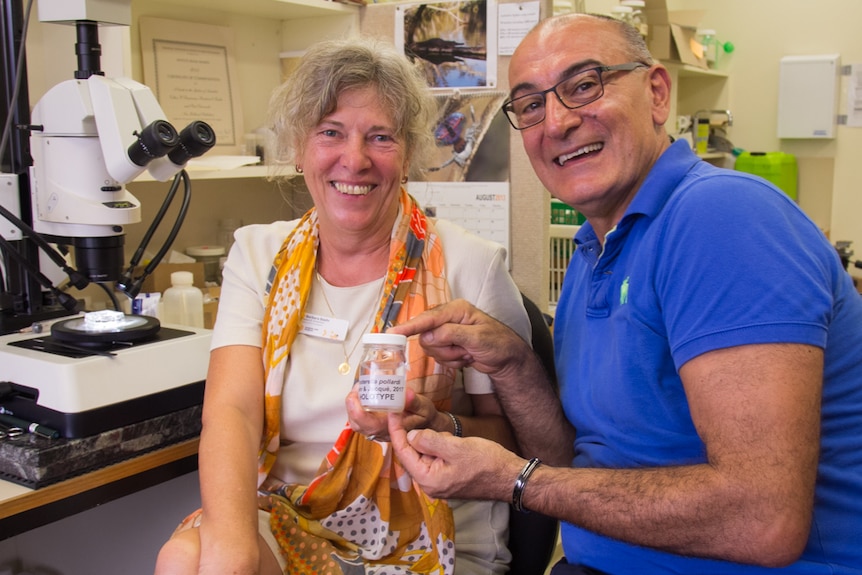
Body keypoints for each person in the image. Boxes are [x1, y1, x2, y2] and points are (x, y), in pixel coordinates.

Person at [386, 13, 862, 575]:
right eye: (531, 105)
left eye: (584, 85)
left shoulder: (720, 217)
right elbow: (583, 468)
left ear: (657, 93)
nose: (557, 121)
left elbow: (760, 520)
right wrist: (513, 364)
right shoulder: (596, 248)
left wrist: (511, 479)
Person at [154, 36, 530, 575]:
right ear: (299, 147)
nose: (353, 160)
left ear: (408, 154)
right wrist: (234, 552)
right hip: (289, 514)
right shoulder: (258, 254)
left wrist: (440, 425)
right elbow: (231, 414)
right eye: (330, 133)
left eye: (380, 137)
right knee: (188, 558)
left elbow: (514, 446)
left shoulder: (470, 265)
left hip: (426, 533)